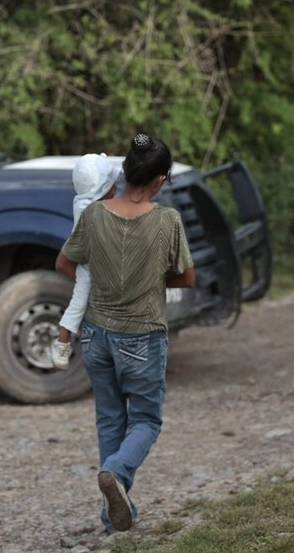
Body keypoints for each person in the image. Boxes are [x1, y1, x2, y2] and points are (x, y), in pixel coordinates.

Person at [55, 133, 195, 533]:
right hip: (142, 338)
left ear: (125, 170)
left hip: (96, 336)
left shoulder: (93, 215)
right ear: (159, 181)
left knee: (109, 418)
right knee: (147, 421)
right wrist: (149, 278)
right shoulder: (166, 221)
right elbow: (187, 277)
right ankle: (117, 471)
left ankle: (112, 514)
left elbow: (64, 264)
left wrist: (101, 278)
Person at [50, 153, 120, 369]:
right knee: (78, 303)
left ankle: (64, 342)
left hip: (96, 267)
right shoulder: (92, 210)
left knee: (79, 303)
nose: (117, 188)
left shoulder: (83, 203)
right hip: (90, 268)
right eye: (111, 185)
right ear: (100, 190)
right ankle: (61, 343)